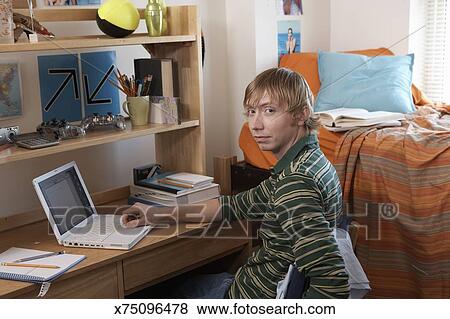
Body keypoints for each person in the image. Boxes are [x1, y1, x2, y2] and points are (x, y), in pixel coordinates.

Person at [121, 68, 350, 299]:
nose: (255, 125)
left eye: (269, 111)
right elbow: (234, 205)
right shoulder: (309, 162)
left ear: (301, 115)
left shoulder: (295, 183)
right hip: (257, 285)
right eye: (251, 112)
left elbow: (332, 284)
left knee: (156, 293)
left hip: (252, 296)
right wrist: (157, 214)